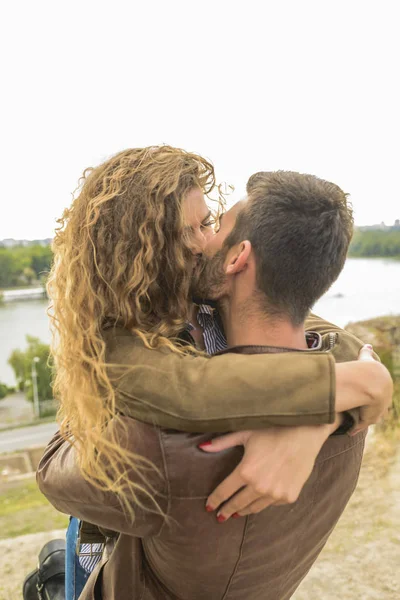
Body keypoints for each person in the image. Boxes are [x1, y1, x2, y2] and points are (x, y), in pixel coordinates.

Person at [37, 160, 392, 598]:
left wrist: (332, 404)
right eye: (192, 229)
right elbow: (317, 338)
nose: (204, 243)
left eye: (211, 224)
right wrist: (348, 395)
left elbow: (55, 470)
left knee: (69, 560)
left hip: (119, 553)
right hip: (193, 558)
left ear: (238, 257)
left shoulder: (157, 439)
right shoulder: (351, 417)